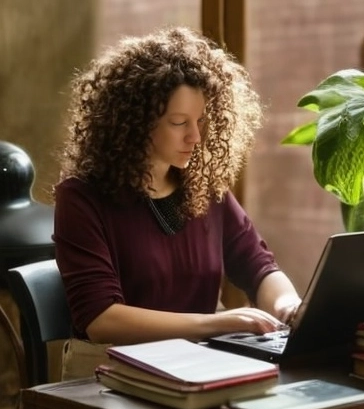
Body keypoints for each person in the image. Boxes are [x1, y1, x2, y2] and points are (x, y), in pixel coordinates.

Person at [53, 26, 301, 370]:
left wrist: (288, 305)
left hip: (195, 366)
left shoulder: (205, 188)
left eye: (200, 121)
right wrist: (219, 322)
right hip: (110, 375)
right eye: (178, 122)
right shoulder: (82, 198)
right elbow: (100, 320)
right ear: (136, 121)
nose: (196, 136)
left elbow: (258, 268)